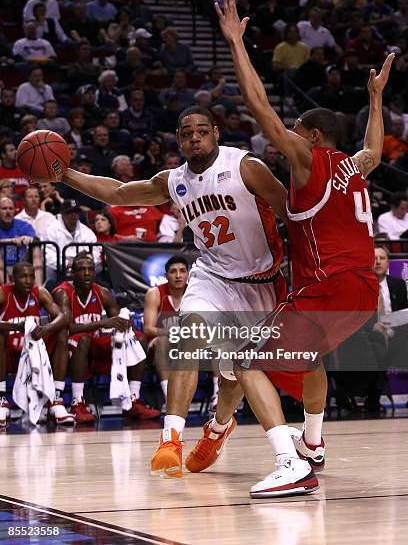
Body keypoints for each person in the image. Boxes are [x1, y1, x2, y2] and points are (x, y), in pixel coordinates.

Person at [215, 0, 392, 497]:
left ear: (313, 138)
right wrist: (376, 99)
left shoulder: (310, 162)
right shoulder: (354, 169)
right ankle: (312, 443)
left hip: (328, 287)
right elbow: (375, 150)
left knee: (245, 362)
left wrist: (236, 44)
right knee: (310, 360)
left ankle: (290, 465)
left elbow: (260, 107)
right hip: (361, 293)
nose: (285, 137)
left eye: (295, 133)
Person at [59, 104, 288, 481]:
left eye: (201, 130)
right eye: (186, 133)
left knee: (234, 377)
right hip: (212, 276)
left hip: (261, 282)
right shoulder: (173, 180)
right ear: (178, 139)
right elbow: (117, 192)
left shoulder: (245, 167)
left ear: (216, 133)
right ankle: (171, 439)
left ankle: (218, 428)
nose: (194, 137)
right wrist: (65, 174)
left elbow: (288, 210)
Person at [52, 252, 160, 422]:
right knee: (83, 339)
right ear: (72, 273)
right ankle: (77, 401)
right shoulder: (63, 293)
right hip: (68, 348)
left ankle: (133, 398)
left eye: (90, 269)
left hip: (95, 345)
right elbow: (65, 327)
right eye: (81, 269)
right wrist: (102, 324)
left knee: (138, 338)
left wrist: (125, 321)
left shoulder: (103, 292)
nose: (87, 273)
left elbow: (116, 319)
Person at [0, 262, 73, 426]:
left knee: (61, 331)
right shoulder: (3, 293)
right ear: (12, 279)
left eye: (31, 276)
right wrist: (15, 327)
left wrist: (46, 328)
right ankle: (2, 399)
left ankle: (57, 400)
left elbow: (63, 316)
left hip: (35, 355)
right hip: (10, 353)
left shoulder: (39, 292)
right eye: (23, 277)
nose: (28, 280)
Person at [143, 256, 189, 406]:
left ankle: (216, 395)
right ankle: (169, 397)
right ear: (165, 276)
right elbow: (148, 329)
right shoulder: (155, 293)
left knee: (216, 342)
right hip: (161, 345)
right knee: (162, 342)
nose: (178, 275)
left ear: (188, 274)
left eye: (182, 271)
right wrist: (175, 333)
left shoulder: (194, 293)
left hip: (188, 344)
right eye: (173, 272)